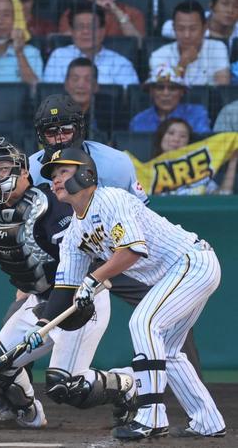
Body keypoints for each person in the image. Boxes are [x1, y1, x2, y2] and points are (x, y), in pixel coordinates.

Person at [25, 147, 226, 440]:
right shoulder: (73, 234)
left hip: (191, 262)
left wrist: (93, 279)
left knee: (143, 324)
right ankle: (207, 421)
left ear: (86, 174)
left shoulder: (110, 199)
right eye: (52, 175)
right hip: (176, 273)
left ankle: (152, 418)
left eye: (62, 172)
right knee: (168, 350)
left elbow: (131, 251)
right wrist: (42, 327)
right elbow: (65, 287)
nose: (55, 180)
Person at [0, 137, 136, 429]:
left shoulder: (52, 204)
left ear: (23, 173)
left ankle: (127, 385)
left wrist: (48, 320)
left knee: (66, 386)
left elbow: (79, 263)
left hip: (79, 301)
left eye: (4, 169)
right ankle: (29, 415)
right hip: (40, 300)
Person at [29, 93, 204, 377]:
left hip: (116, 253)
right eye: (51, 131)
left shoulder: (115, 164)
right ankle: (11, 399)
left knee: (172, 312)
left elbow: (142, 219)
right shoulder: (33, 171)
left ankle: (188, 392)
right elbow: (28, 230)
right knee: (23, 316)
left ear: (79, 129)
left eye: (66, 129)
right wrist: (28, 280)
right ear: (41, 135)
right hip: (62, 257)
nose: (59, 138)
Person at [43, 2, 139, 86]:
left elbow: (131, 103)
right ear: (71, 31)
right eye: (80, 27)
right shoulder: (59, 57)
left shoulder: (120, 64)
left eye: (91, 27)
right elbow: (50, 97)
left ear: (102, 31)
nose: (85, 32)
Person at [150, 0, 230, 85]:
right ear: (173, 28)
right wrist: (182, 64)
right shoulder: (159, 55)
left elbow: (223, 87)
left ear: (204, 28)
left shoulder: (217, 48)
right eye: (181, 28)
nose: (186, 35)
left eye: (193, 29)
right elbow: (163, 92)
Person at [152, 118, 238, 195]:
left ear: (188, 143)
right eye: (171, 133)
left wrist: (233, 160)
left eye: (183, 136)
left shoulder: (200, 173)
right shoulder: (147, 172)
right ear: (161, 137)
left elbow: (224, 195)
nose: (176, 139)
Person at [129, 64, 211, 134]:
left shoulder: (197, 114)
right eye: (160, 88)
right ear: (151, 91)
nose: (166, 93)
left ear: (182, 92)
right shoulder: (139, 121)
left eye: (172, 88)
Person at [64, 57, 117, 141]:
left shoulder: (110, 111)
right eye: (75, 79)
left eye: (88, 80)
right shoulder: (53, 110)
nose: (81, 85)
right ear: (66, 85)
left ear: (96, 86)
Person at [161, 0, 238, 52]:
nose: (230, 10)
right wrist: (209, 34)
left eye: (236, 6)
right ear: (212, 5)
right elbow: (166, 28)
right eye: (225, 4)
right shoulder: (197, 18)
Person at [58, 0, 145, 44]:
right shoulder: (72, 13)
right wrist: (93, 9)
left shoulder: (133, 13)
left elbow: (139, 44)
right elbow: (64, 40)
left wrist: (118, 13)